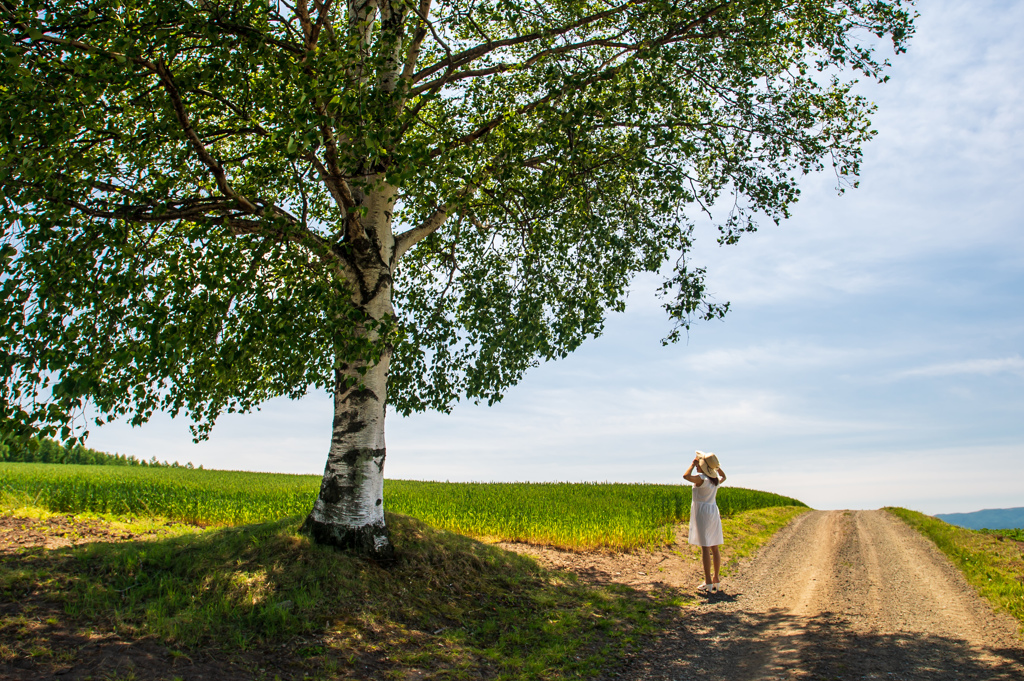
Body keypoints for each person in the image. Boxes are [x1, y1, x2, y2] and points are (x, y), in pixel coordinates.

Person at [683, 450, 726, 594]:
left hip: (702, 513)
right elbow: (723, 476)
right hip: (713, 511)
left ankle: (707, 580)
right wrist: (716, 468)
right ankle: (716, 579)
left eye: (699, 464)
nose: (697, 466)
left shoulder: (702, 478)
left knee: (705, 547)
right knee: (715, 546)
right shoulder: (714, 481)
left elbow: (686, 476)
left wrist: (691, 464)